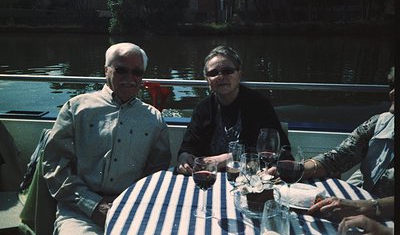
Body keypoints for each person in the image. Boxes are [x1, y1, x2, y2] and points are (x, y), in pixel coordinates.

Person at [42, 42, 171, 234]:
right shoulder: (76, 108)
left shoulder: (154, 119)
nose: (129, 78)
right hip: (80, 211)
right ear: (106, 70)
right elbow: (55, 167)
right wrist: (94, 205)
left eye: (137, 72)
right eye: (121, 70)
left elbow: (157, 173)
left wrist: (132, 204)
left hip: (132, 208)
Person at [176, 45, 289, 175]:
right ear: (207, 80)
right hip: (211, 178)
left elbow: (281, 149)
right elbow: (189, 143)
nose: (220, 77)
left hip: (251, 177)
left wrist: (227, 158)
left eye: (227, 71)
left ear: (239, 74)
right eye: (213, 73)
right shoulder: (203, 108)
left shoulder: (259, 104)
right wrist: (184, 155)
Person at [304, 66, 395, 224]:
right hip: (359, 209)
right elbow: (339, 157)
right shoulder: (379, 123)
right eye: (392, 85)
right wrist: (298, 169)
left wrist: (370, 207)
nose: (392, 93)